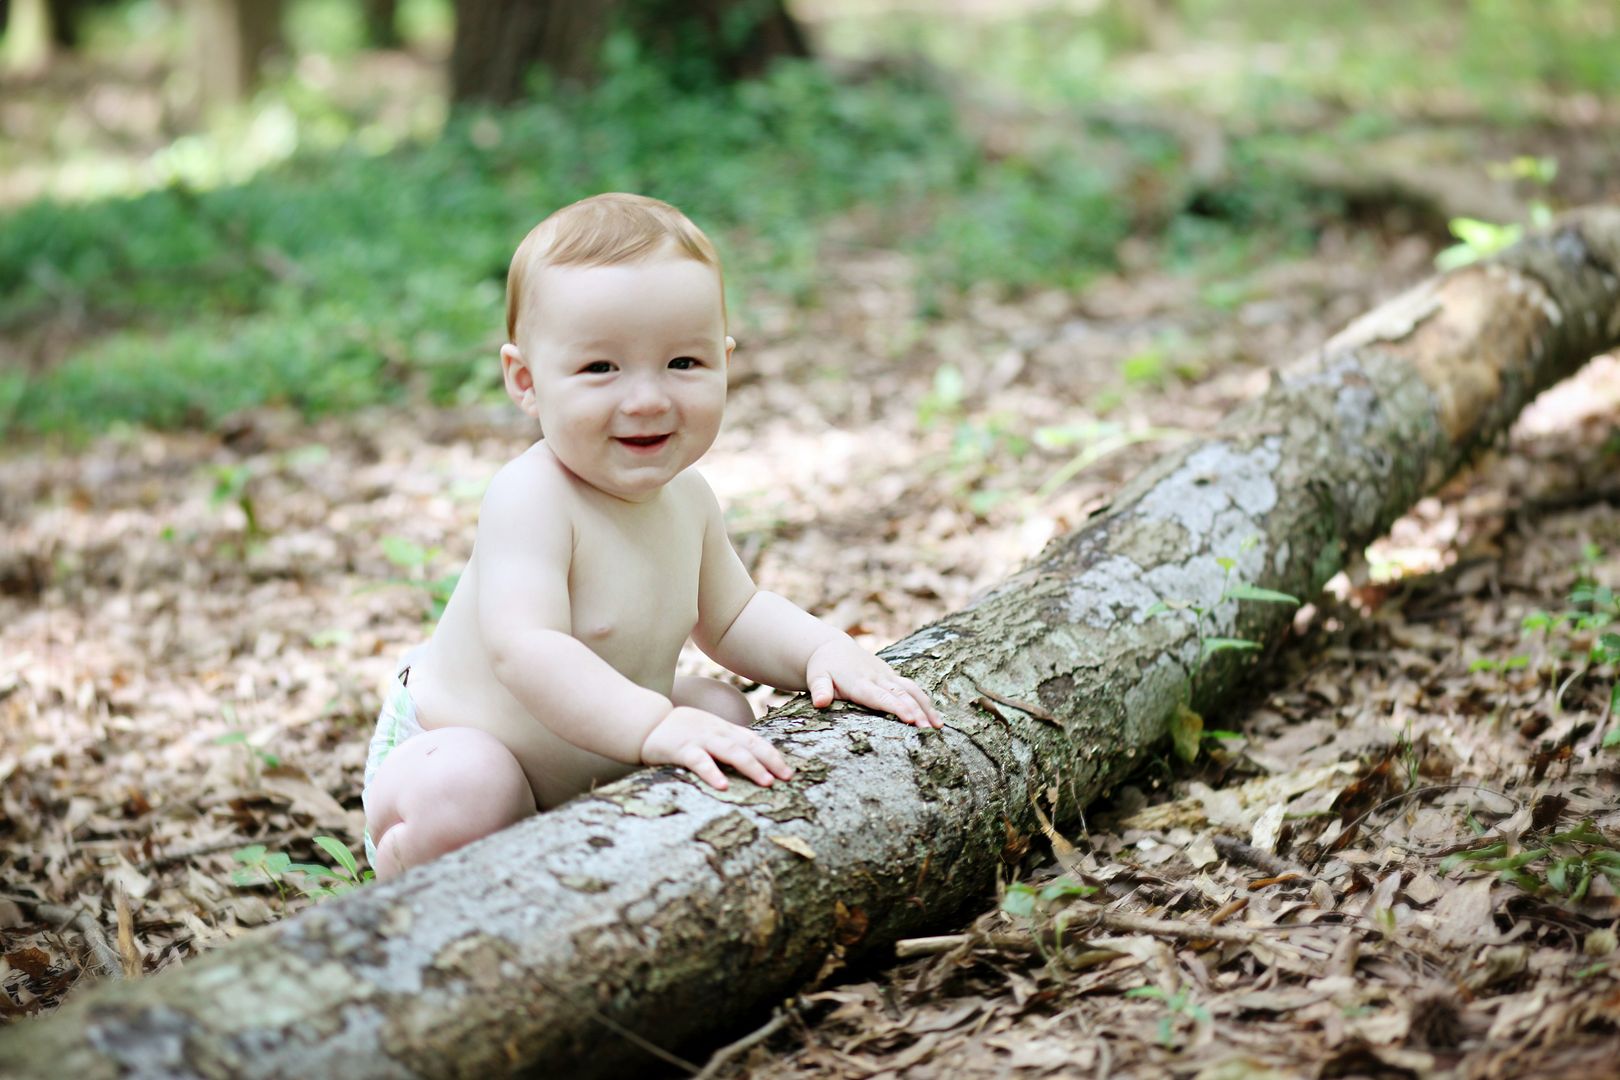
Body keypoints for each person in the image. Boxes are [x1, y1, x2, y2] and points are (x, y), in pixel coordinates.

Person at [361, 193, 943, 879]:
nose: (646, 399)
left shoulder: (688, 499)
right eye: (600, 368)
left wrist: (824, 650)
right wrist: (653, 726)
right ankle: (405, 891)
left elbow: (736, 617)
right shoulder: (531, 496)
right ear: (526, 380)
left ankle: (604, 856)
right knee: (470, 787)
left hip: (594, 748)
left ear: (724, 361)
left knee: (724, 710)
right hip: (454, 748)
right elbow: (527, 649)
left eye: (683, 363)